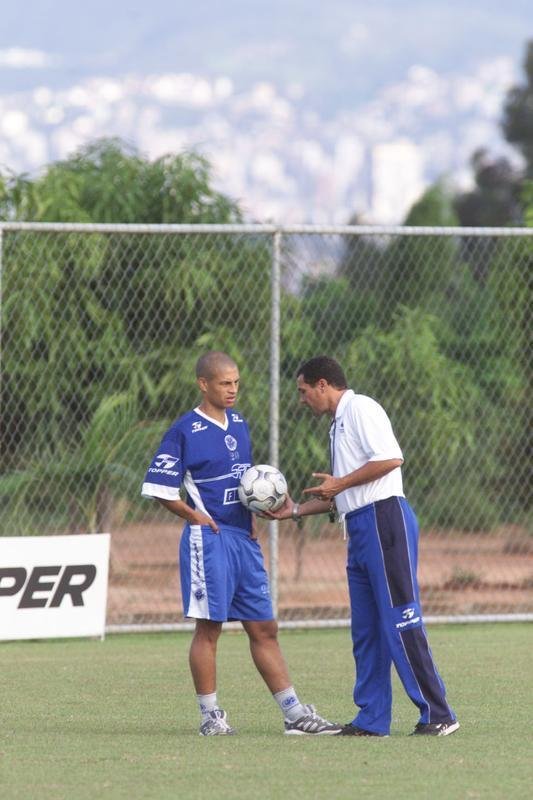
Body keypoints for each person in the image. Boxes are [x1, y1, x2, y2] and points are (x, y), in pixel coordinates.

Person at [141, 351, 342, 737]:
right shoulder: (184, 430)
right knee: (209, 629)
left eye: (236, 383)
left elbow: (245, 481)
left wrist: (252, 516)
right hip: (209, 539)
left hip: (243, 540)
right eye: (224, 383)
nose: (232, 390)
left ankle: (294, 714)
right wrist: (194, 516)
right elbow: (159, 489)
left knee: (264, 627)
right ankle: (210, 717)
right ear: (203, 384)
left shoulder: (239, 423)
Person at [270, 356, 459, 737]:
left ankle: (438, 714)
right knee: (367, 630)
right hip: (358, 527)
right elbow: (342, 495)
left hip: (384, 519)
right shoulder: (337, 425)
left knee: (400, 619)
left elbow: (390, 458)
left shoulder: (360, 408)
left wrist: (339, 484)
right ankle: (372, 720)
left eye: (303, 391)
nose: (302, 399)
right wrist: (295, 511)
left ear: (323, 385)